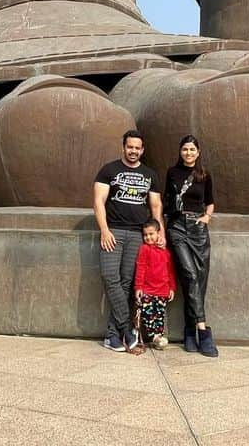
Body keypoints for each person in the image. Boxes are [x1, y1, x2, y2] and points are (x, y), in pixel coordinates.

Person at [93, 130, 162, 353]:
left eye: (137, 148)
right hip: (113, 231)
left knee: (125, 283)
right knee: (110, 276)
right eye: (129, 147)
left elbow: (155, 206)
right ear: (123, 147)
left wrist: (160, 233)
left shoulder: (150, 174)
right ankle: (128, 331)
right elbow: (98, 201)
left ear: (142, 150)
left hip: (137, 235)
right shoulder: (108, 170)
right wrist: (104, 230)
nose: (133, 151)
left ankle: (112, 336)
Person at [164, 135, 218, 356]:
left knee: (200, 279)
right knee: (189, 274)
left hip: (198, 228)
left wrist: (207, 217)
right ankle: (203, 331)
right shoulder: (172, 173)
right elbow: (167, 199)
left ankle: (188, 332)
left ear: (198, 152)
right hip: (177, 227)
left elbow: (211, 201)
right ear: (180, 151)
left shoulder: (204, 175)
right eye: (185, 149)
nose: (188, 153)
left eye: (192, 150)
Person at [134, 218, 176, 350]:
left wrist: (172, 288)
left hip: (162, 291)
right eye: (145, 234)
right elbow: (140, 268)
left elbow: (170, 271)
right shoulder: (144, 249)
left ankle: (158, 336)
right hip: (147, 290)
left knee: (159, 316)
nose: (148, 237)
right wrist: (138, 287)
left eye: (151, 234)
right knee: (147, 316)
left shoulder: (166, 252)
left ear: (159, 233)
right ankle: (154, 337)